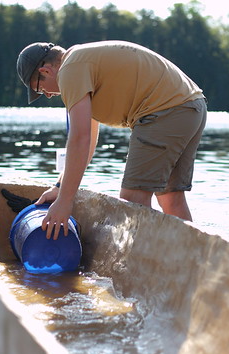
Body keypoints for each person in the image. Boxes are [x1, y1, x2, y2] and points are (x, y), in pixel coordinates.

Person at [16, 40, 207, 240]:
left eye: (39, 89)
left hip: (164, 111)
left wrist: (65, 202)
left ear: (45, 71)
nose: (46, 95)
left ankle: (142, 269)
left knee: (132, 202)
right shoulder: (80, 63)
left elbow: (80, 139)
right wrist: (59, 188)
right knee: (171, 199)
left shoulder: (69, 70)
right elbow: (87, 142)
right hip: (191, 107)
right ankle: (195, 261)